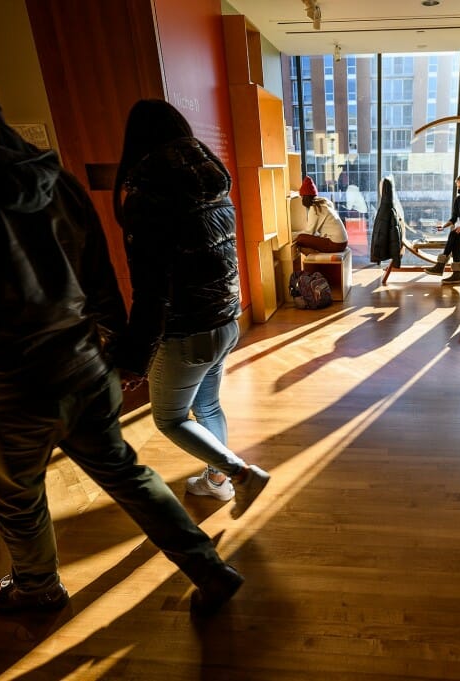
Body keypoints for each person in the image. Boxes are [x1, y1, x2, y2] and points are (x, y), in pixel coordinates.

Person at [0, 0, 242, 617]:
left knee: (17, 498)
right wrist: (114, 352)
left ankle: (37, 588)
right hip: (85, 367)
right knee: (130, 475)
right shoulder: (51, 176)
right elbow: (105, 285)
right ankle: (210, 567)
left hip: (2, 387)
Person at [113, 99, 270, 513]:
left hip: (186, 332)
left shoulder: (148, 199)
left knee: (169, 419)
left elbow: (151, 292)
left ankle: (239, 474)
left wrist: (134, 358)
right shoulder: (213, 184)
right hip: (225, 321)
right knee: (207, 405)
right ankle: (218, 480)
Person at [292, 176, 349, 254]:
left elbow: (309, 232)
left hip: (336, 244)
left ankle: (313, 255)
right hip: (342, 241)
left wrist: (293, 235)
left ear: (305, 198)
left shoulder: (315, 209)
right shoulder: (323, 204)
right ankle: (313, 254)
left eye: (302, 197)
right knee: (304, 238)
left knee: (301, 238)